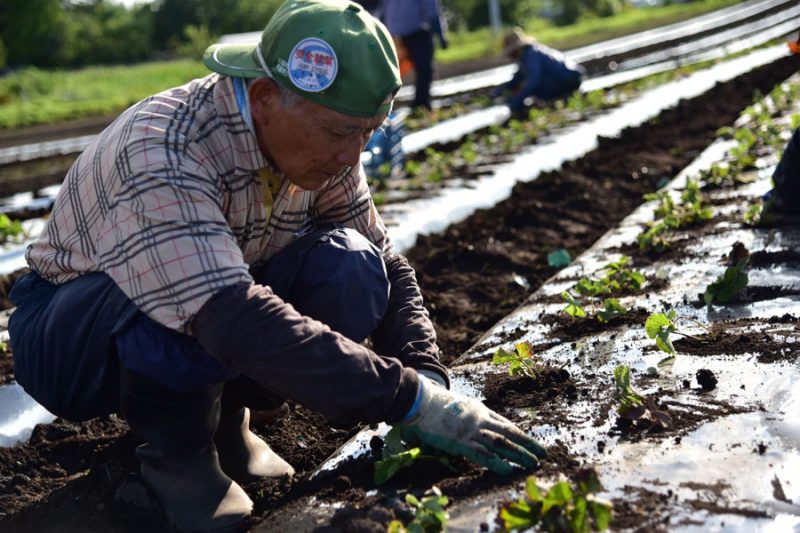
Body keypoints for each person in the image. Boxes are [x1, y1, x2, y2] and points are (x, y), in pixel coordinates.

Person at [7, 0, 546, 531]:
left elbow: (384, 259)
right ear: (265, 97)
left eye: (369, 132)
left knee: (351, 265)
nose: (351, 156)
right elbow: (227, 314)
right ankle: (176, 453)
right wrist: (404, 399)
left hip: (212, 303)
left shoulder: (322, 144)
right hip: (73, 335)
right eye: (340, 133)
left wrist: (426, 372)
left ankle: (227, 423)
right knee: (188, 295)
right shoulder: (164, 154)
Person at [492, 27, 584, 113]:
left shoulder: (530, 55)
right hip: (571, 76)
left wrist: (517, 99)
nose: (511, 57)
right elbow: (518, 77)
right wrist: (501, 89)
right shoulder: (527, 54)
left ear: (515, 50)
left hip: (569, 78)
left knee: (535, 90)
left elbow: (534, 81)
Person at [378, 0, 448, 111]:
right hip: (412, 31)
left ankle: (420, 103)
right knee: (423, 69)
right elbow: (431, 8)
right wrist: (440, 35)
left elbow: (383, 10)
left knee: (393, 71)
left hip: (401, 32)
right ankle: (420, 103)